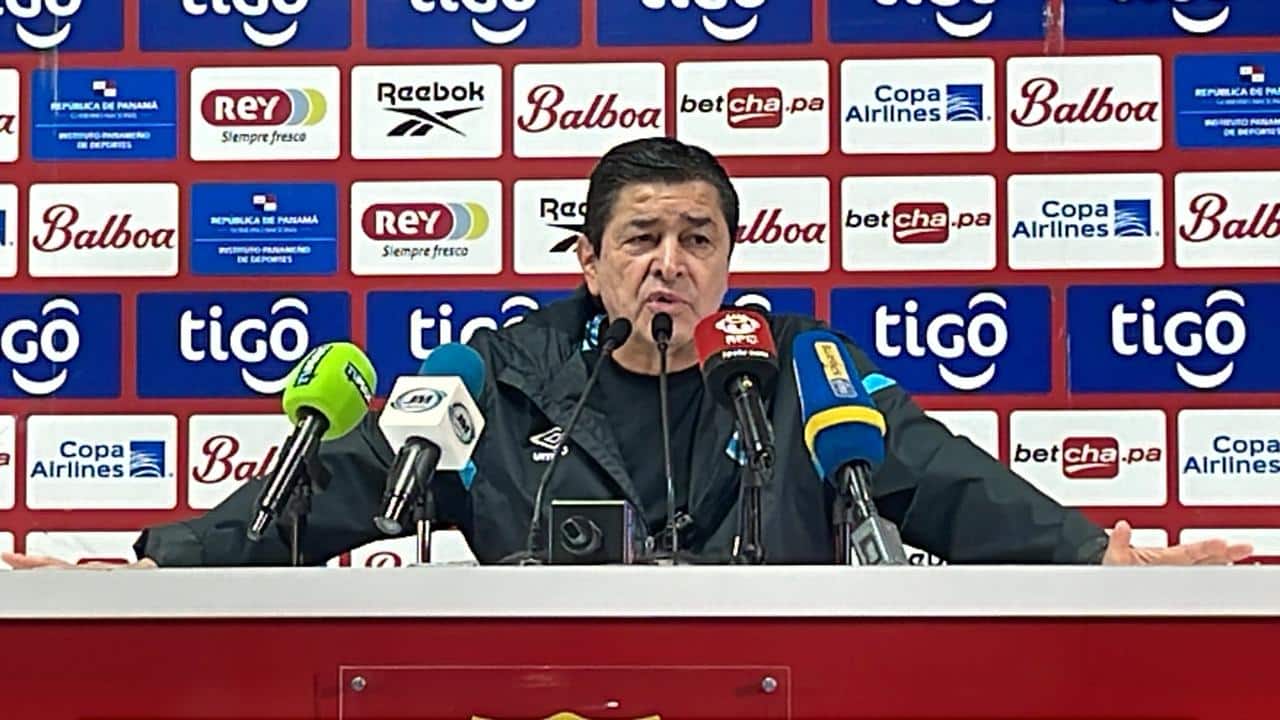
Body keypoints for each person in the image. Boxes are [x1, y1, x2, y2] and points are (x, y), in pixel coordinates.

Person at [3, 137, 1252, 570]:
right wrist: (144, 556)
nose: (670, 262)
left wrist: (1099, 549)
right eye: (641, 237)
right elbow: (323, 495)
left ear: (729, 261)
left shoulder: (797, 370)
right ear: (590, 263)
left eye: (696, 238)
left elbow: (938, 477)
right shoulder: (489, 379)